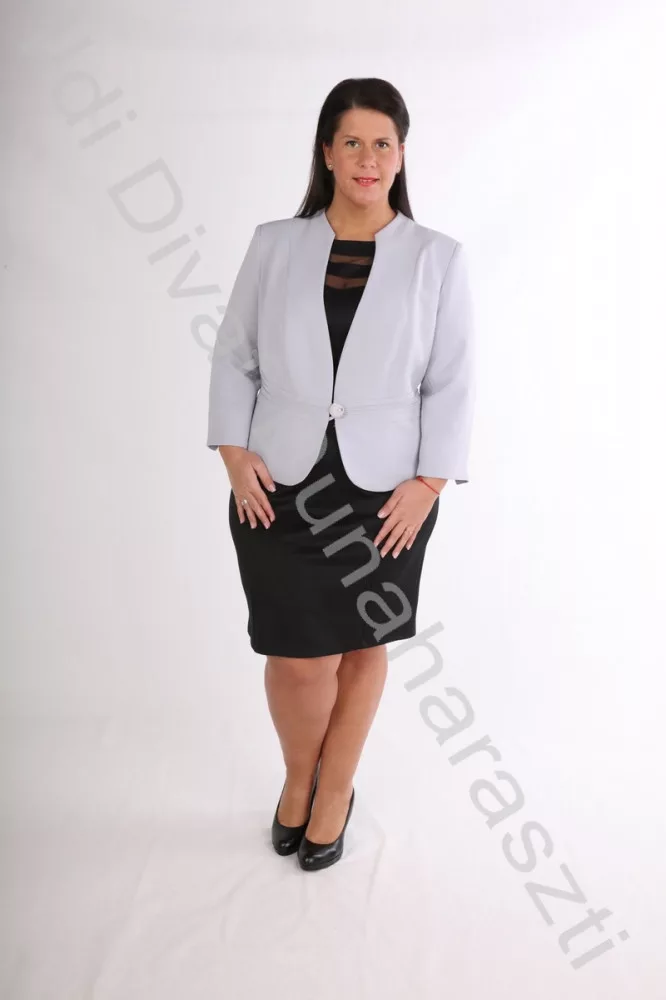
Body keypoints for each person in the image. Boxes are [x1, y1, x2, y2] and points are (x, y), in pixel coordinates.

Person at [207, 77, 476, 871]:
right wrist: (233, 452)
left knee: (361, 645)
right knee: (296, 655)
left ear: (401, 155)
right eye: (351, 141)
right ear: (326, 152)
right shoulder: (274, 245)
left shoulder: (437, 258)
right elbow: (234, 354)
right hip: (279, 483)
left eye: (382, 143)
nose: (367, 157)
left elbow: (453, 381)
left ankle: (335, 791)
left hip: (388, 493)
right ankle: (301, 777)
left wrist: (429, 485)